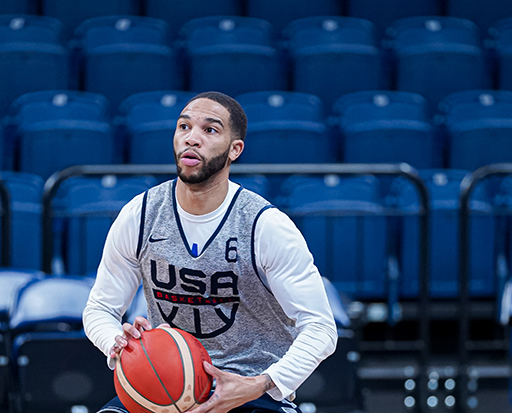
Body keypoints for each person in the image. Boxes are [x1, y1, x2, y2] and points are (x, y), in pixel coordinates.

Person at [83, 91, 338, 413]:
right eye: (184, 126)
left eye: (210, 130)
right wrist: (117, 342)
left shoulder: (265, 226)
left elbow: (321, 329)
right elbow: (99, 309)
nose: (192, 138)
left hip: (248, 389)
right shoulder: (140, 214)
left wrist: (263, 383)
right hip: (165, 382)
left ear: (235, 149)